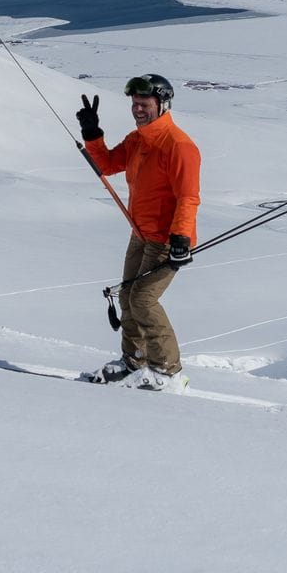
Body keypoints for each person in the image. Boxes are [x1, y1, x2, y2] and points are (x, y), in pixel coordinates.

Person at [76, 73, 201, 392]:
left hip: (167, 240)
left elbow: (188, 196)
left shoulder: (178, 146)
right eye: (134, 104)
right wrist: (92, 132)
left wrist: (181, 239)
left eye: (144, 104)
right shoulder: (138, 140)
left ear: (162, 104)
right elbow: (106, 164)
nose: (138, 109)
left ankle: (168, 371)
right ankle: (134, 360)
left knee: (144, 300)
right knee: (129, 298)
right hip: (140, 233)